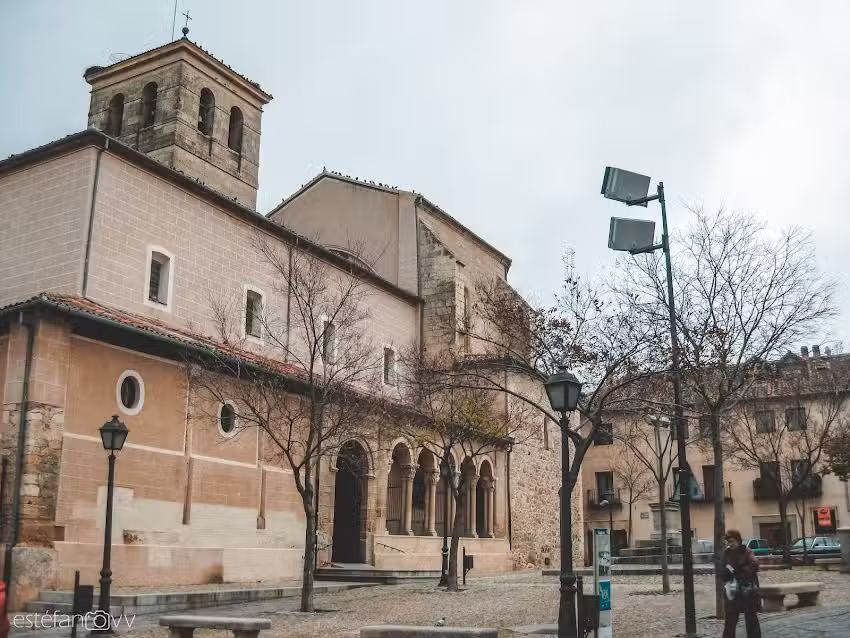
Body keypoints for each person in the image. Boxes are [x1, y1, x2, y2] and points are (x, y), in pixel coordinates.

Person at [721, 529, 762, 638]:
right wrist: (726, 572)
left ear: (738, 540)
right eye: (728, 542)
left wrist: (740, 571)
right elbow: (722, 567)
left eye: (732, 541)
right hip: (733, 590)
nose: (730, 544)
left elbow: (754, 565)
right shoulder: (727, 553)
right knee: (730, 619)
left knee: (751, 618)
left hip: (746, 589)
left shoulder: (746, 551)